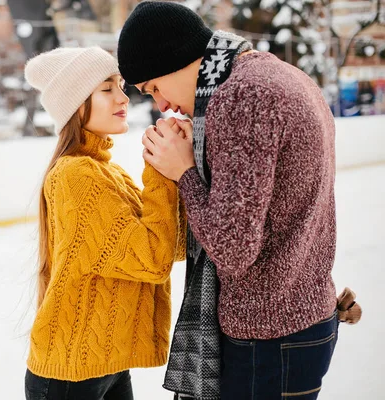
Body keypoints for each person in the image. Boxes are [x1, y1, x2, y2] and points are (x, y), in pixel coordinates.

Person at [117, 2, 360, 399]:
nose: (161, 105)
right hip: (299, 319)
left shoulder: (242, 95)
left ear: (174, 57)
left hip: (268, 338)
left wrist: (184, 172)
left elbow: (231, 250)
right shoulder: (278, 74)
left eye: (154, 87)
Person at [23, 46, 186, 400]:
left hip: (105, 365)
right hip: (70, 376)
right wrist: (160, 170)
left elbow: (172, 246)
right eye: (106, 88)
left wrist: (180, 171)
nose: (122, 97)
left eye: (121, 85)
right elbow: (153, 259)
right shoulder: (77, 175)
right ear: (75, 104)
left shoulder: (107, 172)